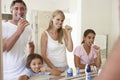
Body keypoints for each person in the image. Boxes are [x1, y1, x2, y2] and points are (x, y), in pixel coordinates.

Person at [2, 0, 34, 80]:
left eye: (22, 9)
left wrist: (29, 62)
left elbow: (31, 45)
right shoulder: (4, 27)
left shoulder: (28, 29)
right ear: (11, 11)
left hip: (23, 72)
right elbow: (4, 48)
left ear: (25, 11)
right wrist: (19, 31)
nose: (19, 11)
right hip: (7, 74)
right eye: (16, 8)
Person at [41, 10, 73, 74]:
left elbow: (70, 49)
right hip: (52, 68)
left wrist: (69, 33)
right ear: (52, 19)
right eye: (58, 19)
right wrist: (55, 69)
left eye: (62, 20)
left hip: (64, 67)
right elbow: (43, 55)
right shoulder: (45, 34)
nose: (60, 22)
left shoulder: (64, 32)